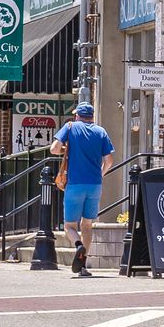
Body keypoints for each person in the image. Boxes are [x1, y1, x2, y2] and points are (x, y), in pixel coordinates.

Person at [49, 102, 115, 276]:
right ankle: (83, 265)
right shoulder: (101, 132)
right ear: (92, 116)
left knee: (70, 226)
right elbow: (109, 161)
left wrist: (65, 147)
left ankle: (78, 246)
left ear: (77, 115)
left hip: (75, 184)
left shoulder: (70, 127)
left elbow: (54, 149)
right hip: (94, 185)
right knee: (87, 224)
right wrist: (100, 175)